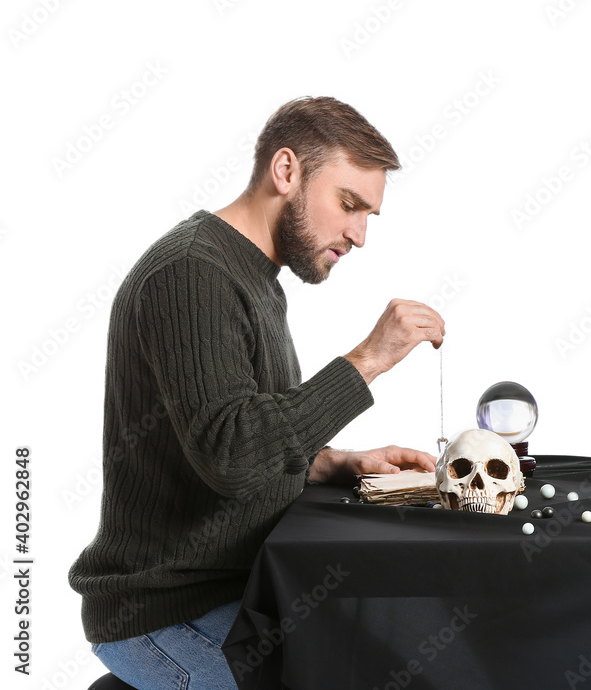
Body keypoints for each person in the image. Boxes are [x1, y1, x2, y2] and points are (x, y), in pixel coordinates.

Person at [68, 96, 445, 690]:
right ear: (286, 170)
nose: (360, 234)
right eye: (349, 205)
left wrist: (333, 462)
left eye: (369, 214)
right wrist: (367, 360)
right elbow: (232, 457)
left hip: (234, 592)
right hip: (164, 614)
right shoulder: (192, 272)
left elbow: (232, 433)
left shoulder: (251, 277)